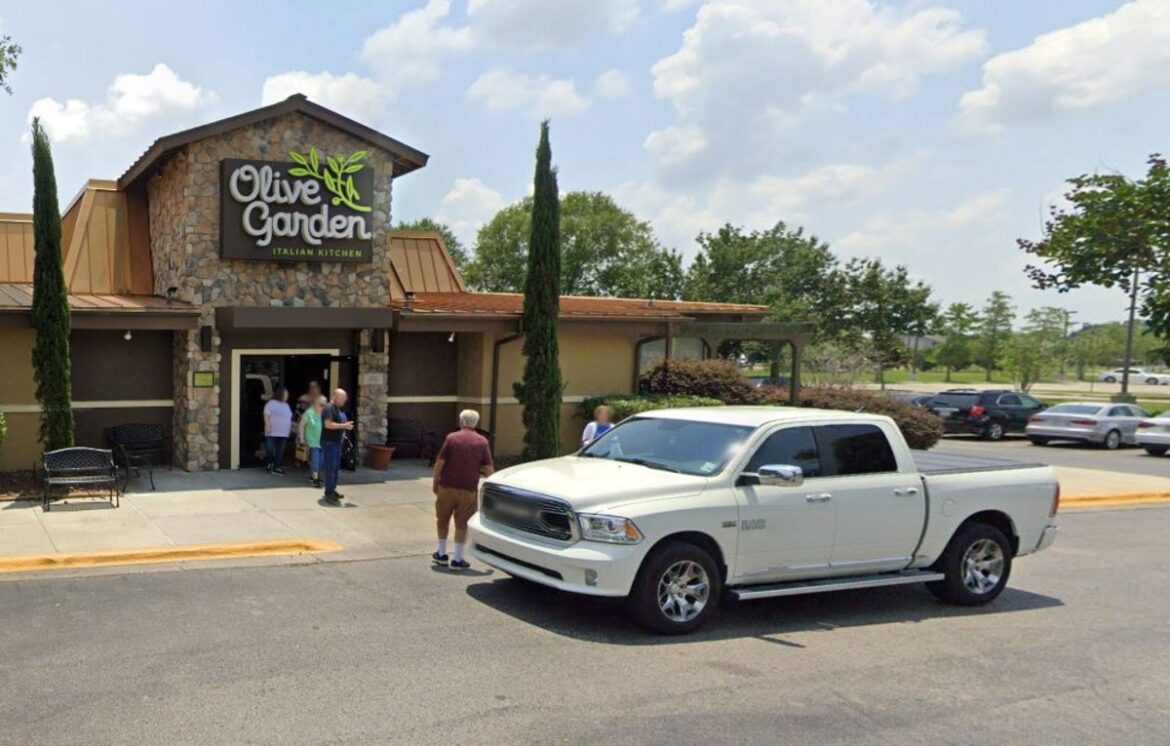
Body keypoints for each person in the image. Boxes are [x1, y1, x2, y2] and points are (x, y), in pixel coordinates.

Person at [432, 409, 493, 570]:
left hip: (446, 487)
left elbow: (440, 462)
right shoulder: (482, 442)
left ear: (461, 422)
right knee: (462, 525)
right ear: (476, 423)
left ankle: (442, 553)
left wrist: (435, 481)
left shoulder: (451, 439)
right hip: (468, 490)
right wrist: (494, 484)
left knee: (442, 520)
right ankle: (457, 558)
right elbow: (488, 468)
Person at [320, 388, 354, 504]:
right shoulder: (329, 408)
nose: (345, 400)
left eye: (345, 398)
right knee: (331, 468)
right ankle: (328, 493)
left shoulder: (338, 409)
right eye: (343, 398)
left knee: (335, 468)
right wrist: (344, 425)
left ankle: (332, 490)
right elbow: (328, 425)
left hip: (336, 443)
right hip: (329, 442)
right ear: (335, 397)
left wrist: (345, 426)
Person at [263, 386, 293, 474]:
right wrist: (267, 425)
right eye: (286, 394)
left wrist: (289, 429)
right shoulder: (271, 403)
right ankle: (270, 462)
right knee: (270, 449)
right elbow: (266, 415)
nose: (287, 396)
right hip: (271, 432)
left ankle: (277, 467)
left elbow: (289, 418)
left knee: (280, 451)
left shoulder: (286, 405)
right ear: (281, 394)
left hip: (283, 433)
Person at [299, 394, 326, 488]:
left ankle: (313, 475)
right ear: (316, 404)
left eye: (324, 404)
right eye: (321, 404)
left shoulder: (325, 414)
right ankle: (315, 478)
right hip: (313, 441)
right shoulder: (309, 413)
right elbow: (301, 425)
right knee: (316, 460)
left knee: (321, 461)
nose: (323, 406)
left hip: (323, 442)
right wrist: (302, 438)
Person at [294, 381, 322, 470]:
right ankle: (299, 459)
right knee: (301, 442)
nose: (314, 390)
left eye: (316, 388)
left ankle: (311, 462)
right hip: (303, 422)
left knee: (312, 444)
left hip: (314, 425)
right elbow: (296, 411)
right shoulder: (303, 398)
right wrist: (302, 416)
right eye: (312, 388)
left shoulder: (320, 400)